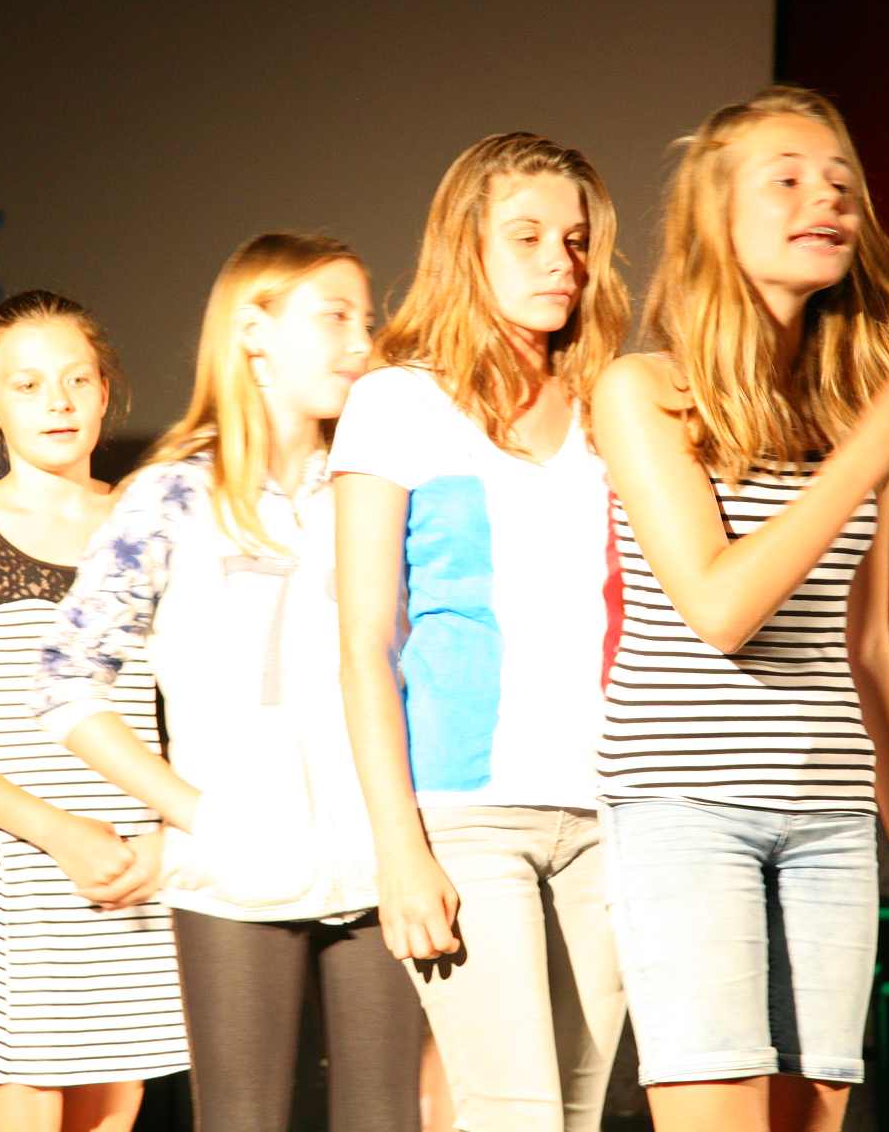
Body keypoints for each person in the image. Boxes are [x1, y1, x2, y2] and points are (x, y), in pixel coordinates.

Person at [591, 84, 889, 1132]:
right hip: (684, 806)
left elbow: (867, 651)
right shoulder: (643, 391)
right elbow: (720, 607)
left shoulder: (854, 414)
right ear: (715, 218)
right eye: (786, 180)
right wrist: (881, 437)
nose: (825, 199)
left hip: (828, 819)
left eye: (841, 183)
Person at [33, 233, 423, 1132]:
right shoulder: (172, 495)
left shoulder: (371, 488)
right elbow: (63, 679)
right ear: (254, 331)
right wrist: (197, 813)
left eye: (365, 320)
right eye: (334, 317)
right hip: (234, 872)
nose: (360, 342)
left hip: (377, 858)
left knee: (385, 1119)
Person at [332, 132, 633, 1131]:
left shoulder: (611, 407)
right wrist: (399, 850)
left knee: (579, 1118)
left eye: (576, 240)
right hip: (466, 814)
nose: (561, 262)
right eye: (527, 236)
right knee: (516, 1117)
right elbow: (363, 644)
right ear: (467, 246)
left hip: (608, 815)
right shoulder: (397, 403)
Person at [0, 290, 188, 1130]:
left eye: (76, 379)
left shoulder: (150, 521)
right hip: (10, 871)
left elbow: (196, 701)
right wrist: (56, 831)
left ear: (103, 391)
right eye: (27, 384)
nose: (57, 401)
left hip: (129, 867)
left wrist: (168, 834)